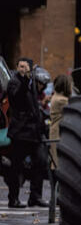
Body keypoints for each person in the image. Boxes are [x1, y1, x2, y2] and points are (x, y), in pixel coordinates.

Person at [6, 58, 48, 208]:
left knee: (41, 161)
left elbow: (34, 106)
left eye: (25, 66)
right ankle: (13, 199)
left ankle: (35, 196)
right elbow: (16, 97)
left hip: (34, 132)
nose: (22, 68)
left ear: (30, 69)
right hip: (20, 132)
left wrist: (41, 122)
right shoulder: (15, 82)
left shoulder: (32, 84)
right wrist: (24, 82)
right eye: (20, 66)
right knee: (16, 166)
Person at [48, 75, 71, 168]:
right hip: (58, 131)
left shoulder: (55, 96)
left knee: (56, 158)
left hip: (55, 129)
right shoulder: (61, 100)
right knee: (58, 160)